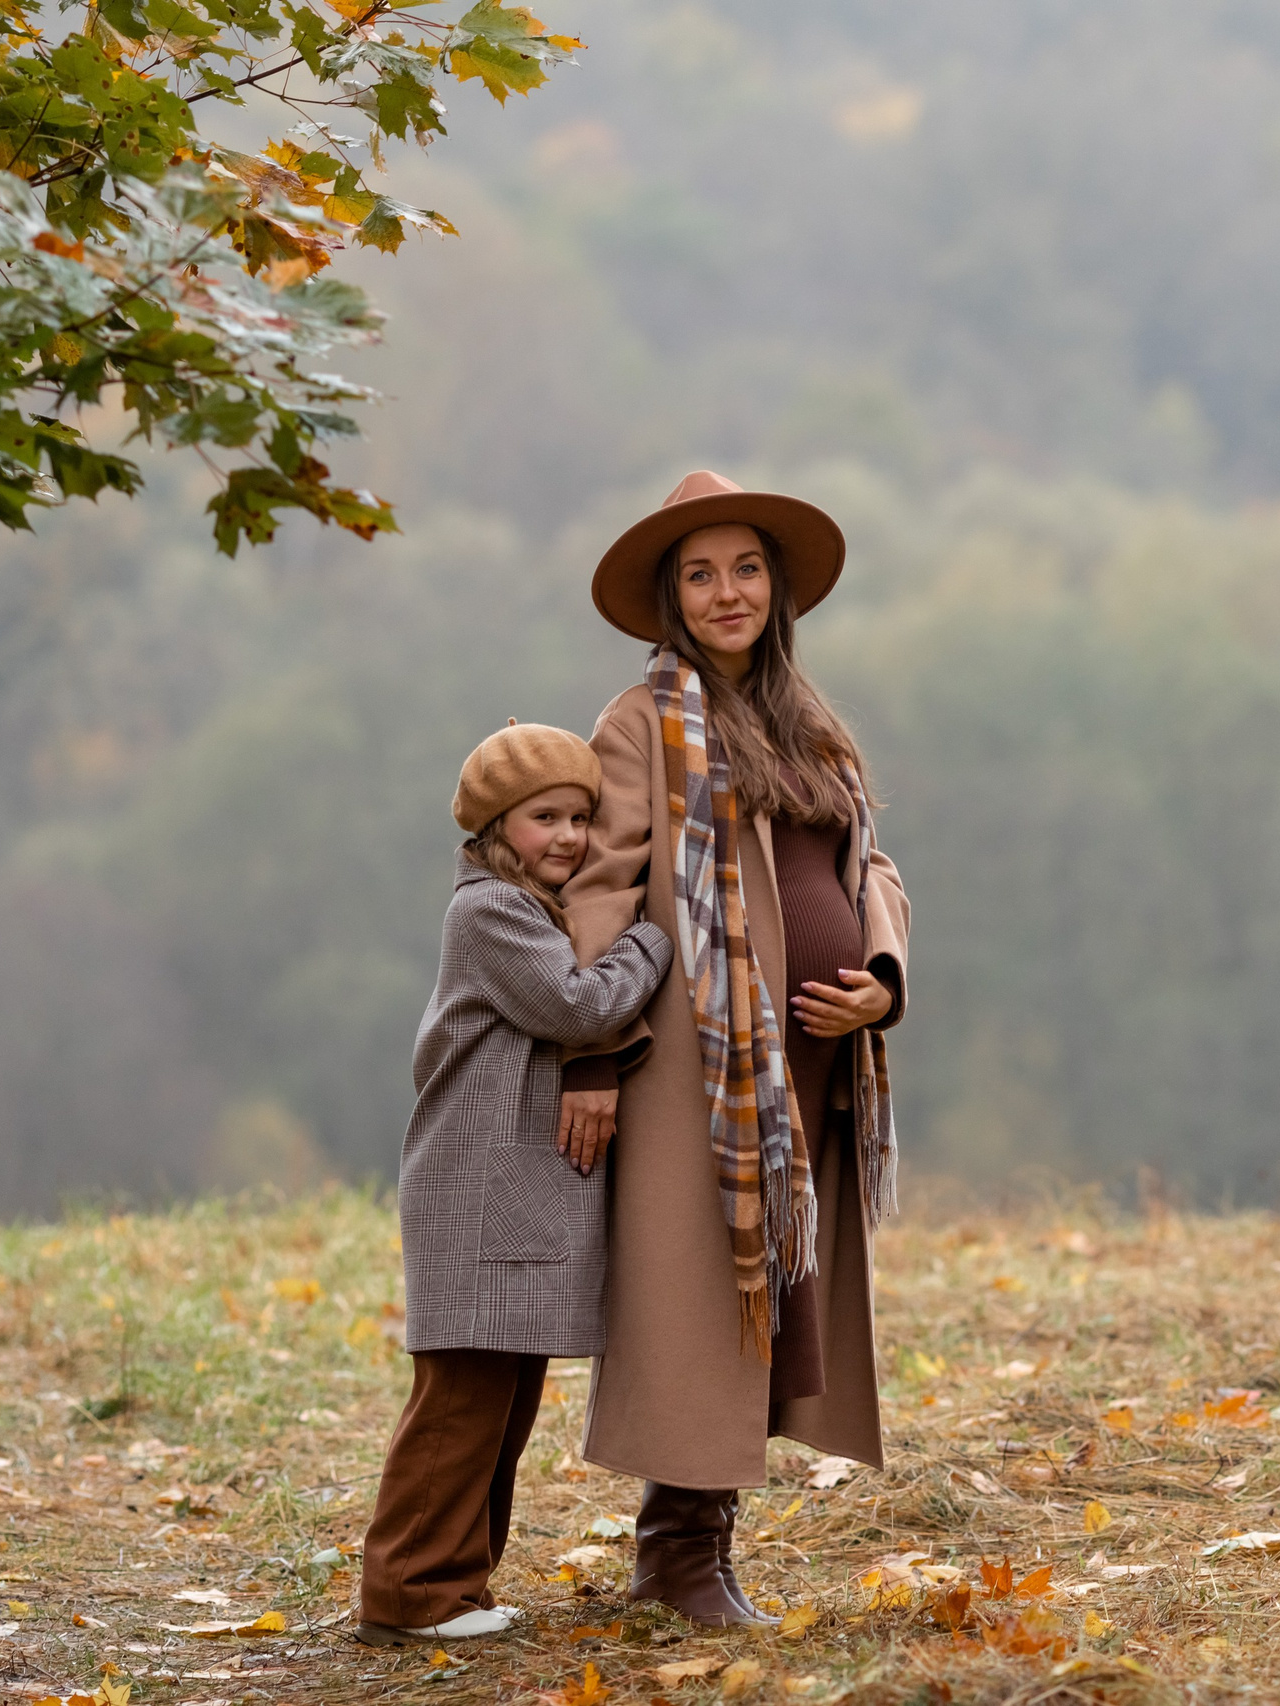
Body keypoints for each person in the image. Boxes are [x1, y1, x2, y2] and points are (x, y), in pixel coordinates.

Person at [564, 470, 911, 1628]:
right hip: (694, 1072)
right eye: (701, 573)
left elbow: (872, 871)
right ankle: (676, 1556)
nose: (728, 592)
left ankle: (701, 1546)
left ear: (778, 586)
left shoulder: (813, 723)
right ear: (672, 595)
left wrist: (880, 980)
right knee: (709, 1304)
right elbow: (603, 894)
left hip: (810, 1066)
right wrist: (592, 1055)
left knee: (771, 1300)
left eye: (746, 567)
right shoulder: (641, 723)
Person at [355, 722, 676, 1645]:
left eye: (582, 817)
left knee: (502, 1404)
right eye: (546, 818)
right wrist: (652, 939)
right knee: (459, 1404)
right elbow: (580, 1005)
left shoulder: (533, 907)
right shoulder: (489, 912)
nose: (570, 836)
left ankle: (458, 1583)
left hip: (512, 1192)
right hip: (476, 1187)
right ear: (498, 826)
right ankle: (409, 1594)